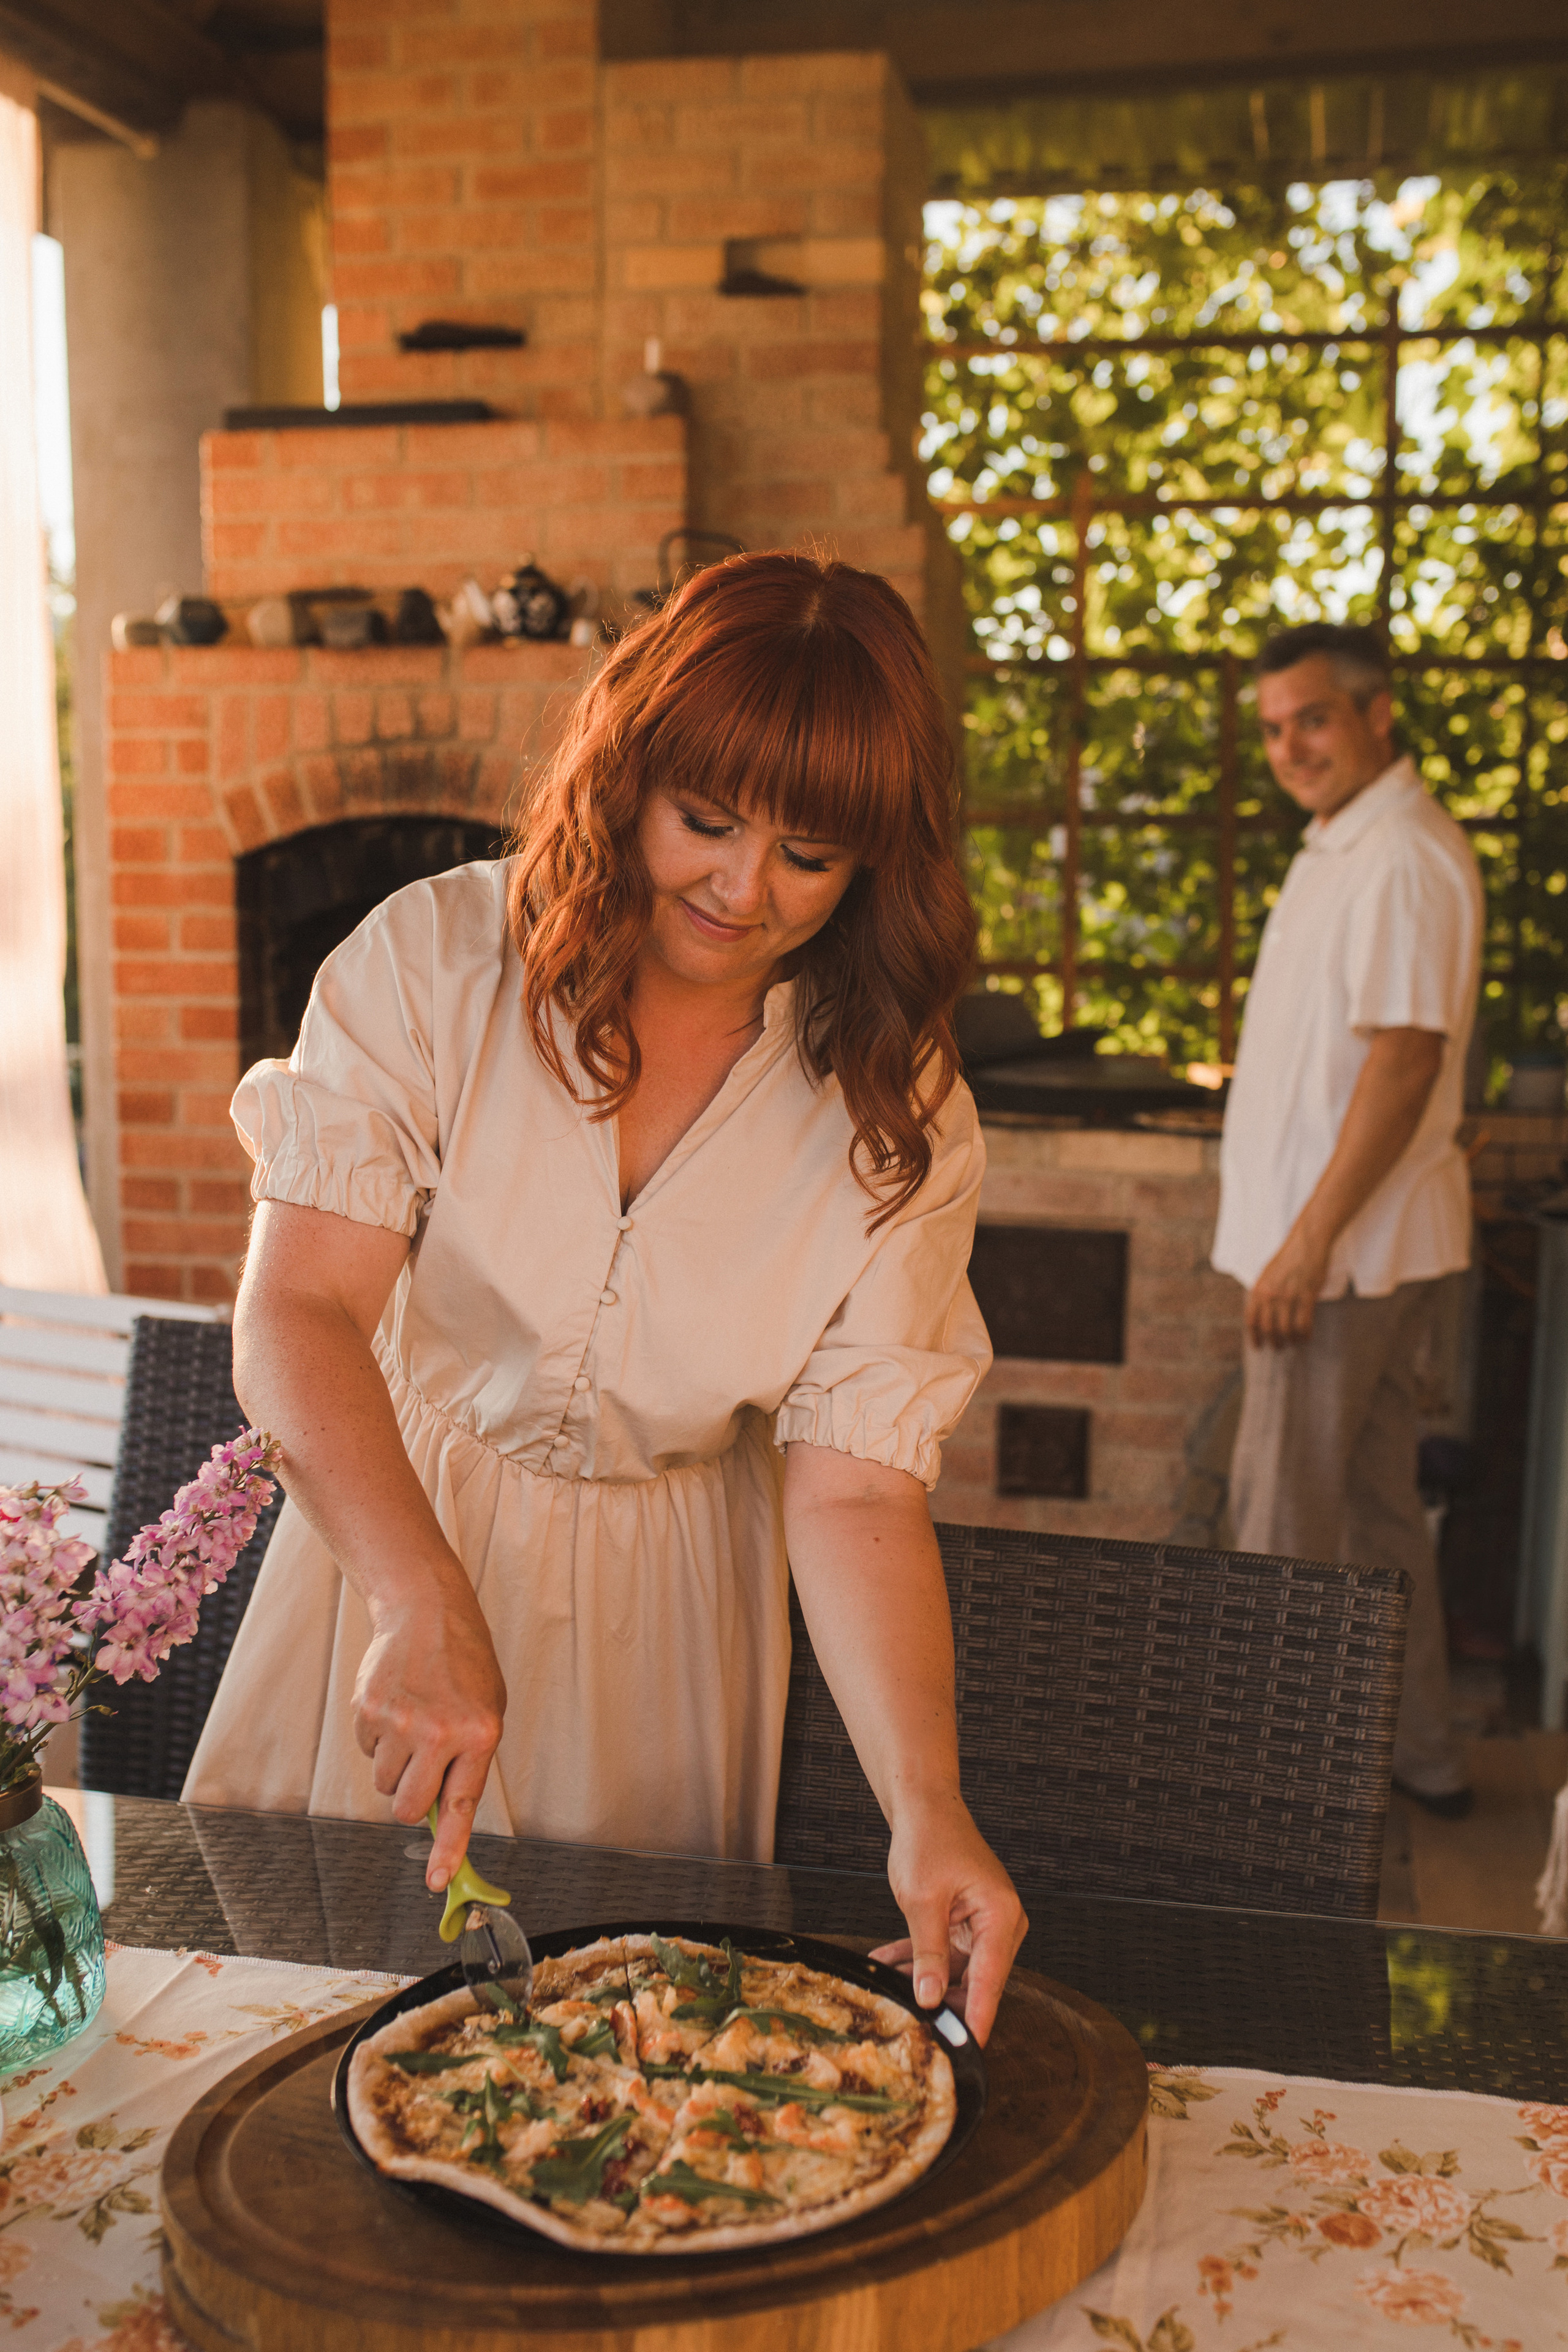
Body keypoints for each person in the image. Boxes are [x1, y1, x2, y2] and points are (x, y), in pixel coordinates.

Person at [184, 552, 1027, 2038]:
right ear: (627, 772)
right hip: (387, 1533)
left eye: (809, 854)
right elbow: (300, 1309)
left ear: (879, 862)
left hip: (670, 1621)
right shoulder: (435, 962)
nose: (740, 888)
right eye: (703, 821)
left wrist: (927, 1808)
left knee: (616, 2065)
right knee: (293, 2038)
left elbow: (851, 1499)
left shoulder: (901, 1110)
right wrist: (415, 1592)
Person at [1212, 621, 1482, 1819]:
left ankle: (1262, 1807)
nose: (1288, 747)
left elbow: (1404, 1061)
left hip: (1336, 1263)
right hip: (1348, 1255)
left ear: (1377, 715)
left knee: (1277, 1525)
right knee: (1377, 1521)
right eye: (1271, 729)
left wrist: (1307, 1240)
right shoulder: (1347, 842)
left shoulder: (1400, 859)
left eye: (1309, 719)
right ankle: (1422, 1757)